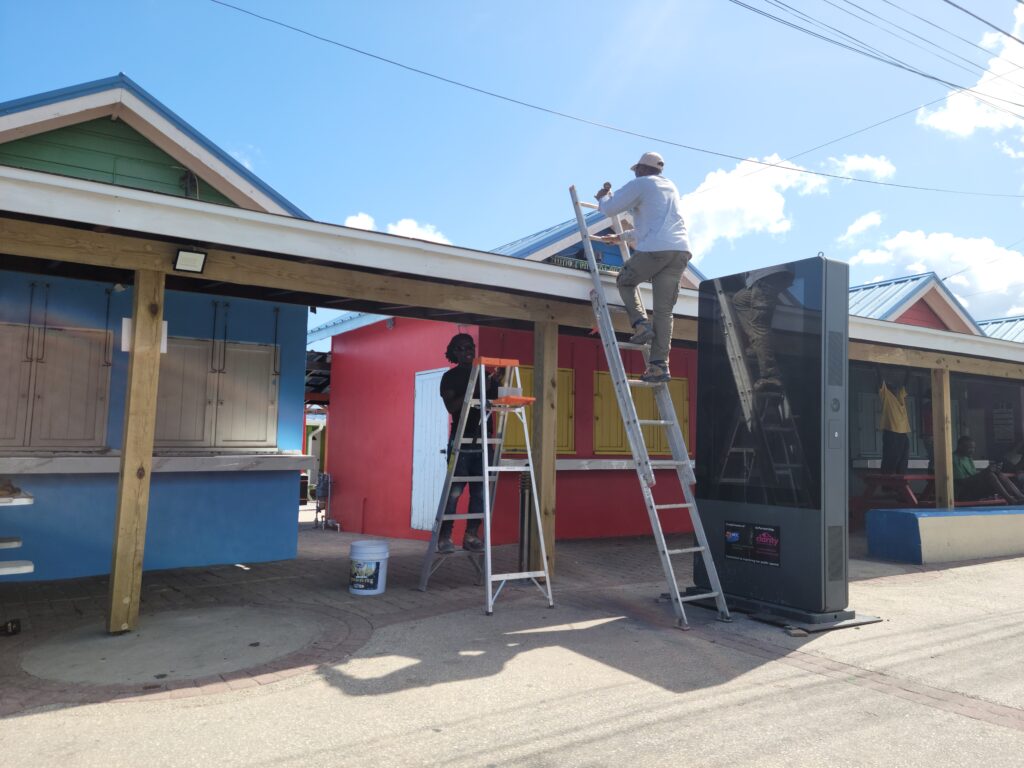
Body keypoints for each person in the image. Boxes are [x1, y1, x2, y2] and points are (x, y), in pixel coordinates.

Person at [594, 151, 691, 384]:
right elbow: (649, 226)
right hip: (679, 251)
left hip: (656, 250)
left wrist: (602, 197)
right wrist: (621, 237)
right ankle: (659, 366)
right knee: (664, 312)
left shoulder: (642, 183)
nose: (635, 172)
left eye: (637, 168)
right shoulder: (670, 187)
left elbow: (609, 210)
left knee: (625, 280)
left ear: (643, 169)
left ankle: (640, 324)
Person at [437, 333, 501, 554]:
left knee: (480, 493)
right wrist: (474, 385)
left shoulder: (484, 373)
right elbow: (453, 407)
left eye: (471, 347)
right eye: (463, 348)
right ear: (454, 352)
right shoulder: (450, 377)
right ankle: (445, 537)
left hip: (484, 441)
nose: (469, 351)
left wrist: (496, 381)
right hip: (461, 443)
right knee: (454, 491)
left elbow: (498, 399)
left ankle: (471, 536)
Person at [730, 266, 794, 391]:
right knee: (740, 300)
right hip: (769, 276)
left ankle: (771, 376)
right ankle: (757, 344)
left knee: (760, 325)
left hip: (766, 276)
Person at [952, 436, 1024, 504]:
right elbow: (962, 482)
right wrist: (984, 472)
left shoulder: (968, 457)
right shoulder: (954, 459)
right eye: (969, 448)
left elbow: (973, 475)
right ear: (960, 447)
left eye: (973, 448)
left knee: (997, 473)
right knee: (989, 475)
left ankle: (1020, 496)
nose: (972, 451)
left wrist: (989, 470)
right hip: (964, 493)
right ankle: (1010, 499)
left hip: (973, 488)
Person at [876, 367, 911, 474]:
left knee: (903, 459)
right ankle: (888, 485)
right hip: (891, 432)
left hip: (903, 434)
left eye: (896, 387)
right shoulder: (886, 396)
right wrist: (877, 366)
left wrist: (909, 370)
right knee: (891, 458)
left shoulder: (900, 396)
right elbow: (880, 380)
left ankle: (900, 483)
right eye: (893, 387)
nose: (896, 389)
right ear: (888, 389)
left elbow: (905, 384)